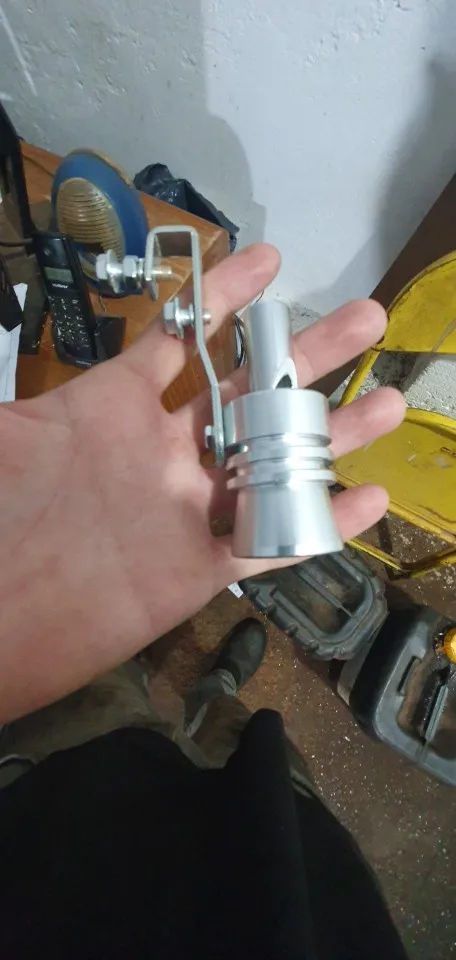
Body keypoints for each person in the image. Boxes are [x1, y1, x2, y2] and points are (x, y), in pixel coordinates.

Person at [0, 244, 407, 958]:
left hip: (48, 841)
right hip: (290, 872)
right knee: (256, 755)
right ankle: (213, 698)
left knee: (91, 717)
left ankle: (155, 689)